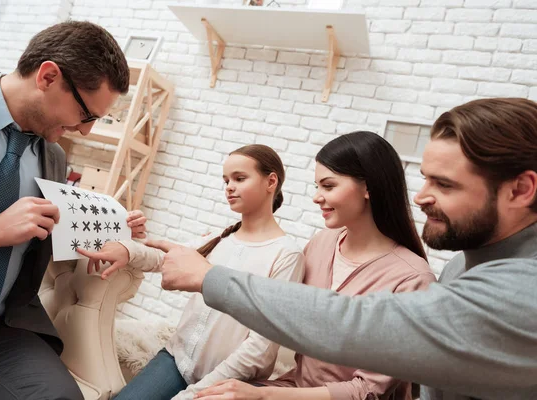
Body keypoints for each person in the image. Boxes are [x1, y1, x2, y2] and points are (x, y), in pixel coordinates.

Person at [153, 98, 537, 400]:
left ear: (521, 190)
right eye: (423, 179)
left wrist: (210, 279)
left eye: (446, 185)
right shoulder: (457, 267)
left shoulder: (519, 289)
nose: (420, 197)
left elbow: (352, 325)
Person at [0, 21, 130, 399]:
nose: (86, 131)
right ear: (47, 76)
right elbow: (2, 227)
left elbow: (43, 232)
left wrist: (114, 232)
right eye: (86, 114)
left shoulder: (53, 156)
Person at [192, 132, 437, 400]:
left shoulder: (413, 278)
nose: (317, 197)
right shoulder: (322, 243)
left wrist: (263, 396)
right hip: (295, 388)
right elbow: (281, 313)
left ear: (368, 187)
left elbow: (367, 391)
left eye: (328, 186)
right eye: (316, 186)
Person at [79, 144, 305, 400]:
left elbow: (261, 347)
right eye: (226, 180)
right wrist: (128, 250)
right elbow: (166, 257)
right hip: (176, 360)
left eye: (239, 178)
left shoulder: (287, 255)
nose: (229, 187)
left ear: (271, 181)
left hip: (228, 382)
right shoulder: (221, 236)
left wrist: (194, 394)